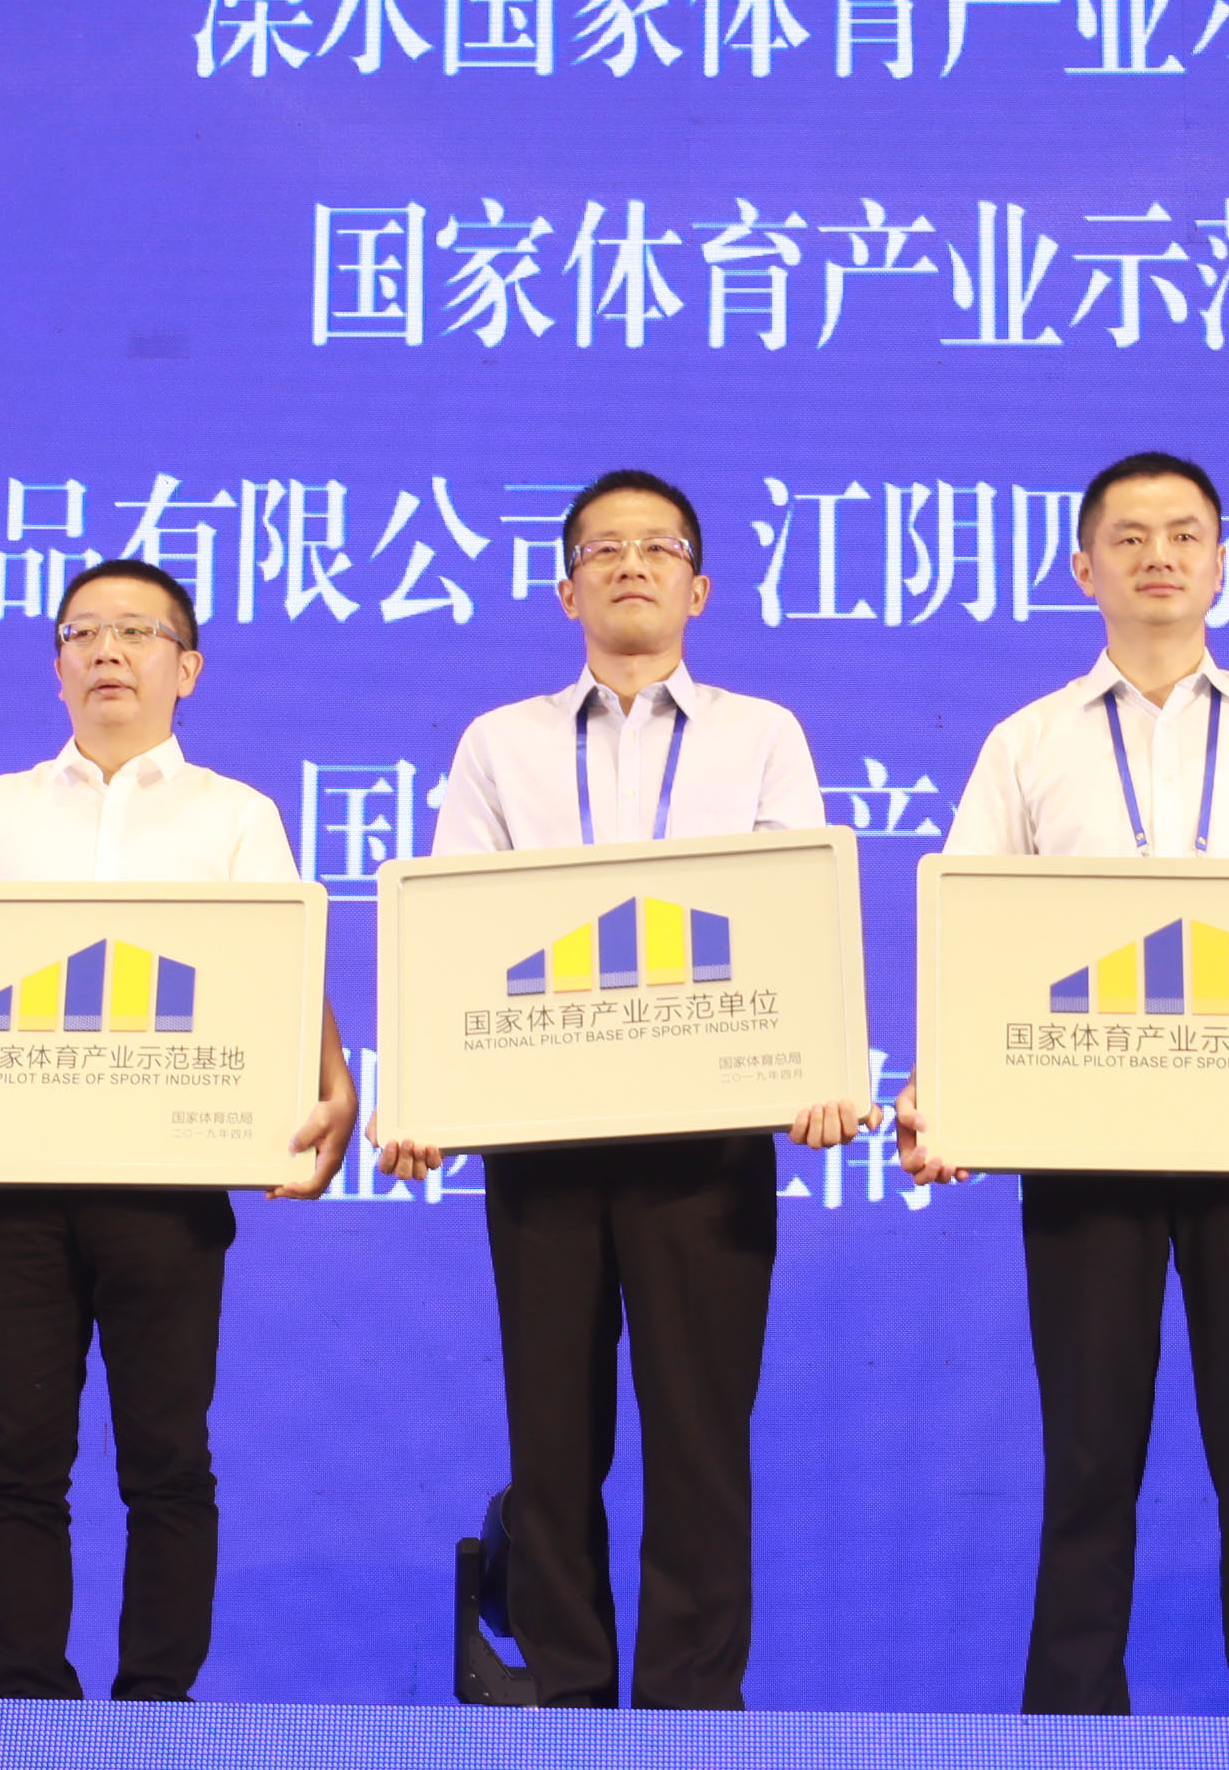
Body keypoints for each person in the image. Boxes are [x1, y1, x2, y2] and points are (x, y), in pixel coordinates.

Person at [896, 450, 1229, 1718]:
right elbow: (969, 937)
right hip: (1082, 1139)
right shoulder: (1026, 743)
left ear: (1219, 566)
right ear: (1081, 567)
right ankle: (1068, 1728)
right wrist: (939, 1091)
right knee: (1087, 1458)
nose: (1157, 555)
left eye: (1183, 534)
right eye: (1129, 536)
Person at [0, 557, 355, 1702]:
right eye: (83, 632)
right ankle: (25, 1705)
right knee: (17, 1463)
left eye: (137, 631)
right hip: (14, 1185)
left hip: (169, 1188)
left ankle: (154, 1707)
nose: (107, 650)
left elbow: (283, 972)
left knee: (166, 1461)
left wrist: (333, 1083)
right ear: (55, 667)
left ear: (186, 668)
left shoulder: (235, 817)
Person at [374, 469, 858, 1712]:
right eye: (603, 549)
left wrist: (816, 1070)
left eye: (657, 547)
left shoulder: (761, 735)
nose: (630, 564)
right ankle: (569, 1696)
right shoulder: (501, 743)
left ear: (698, 586)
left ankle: (692, 1706)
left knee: (699, 1437)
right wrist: (422, 1091)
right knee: (553, 1437)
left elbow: (794, 923)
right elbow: (455, 930)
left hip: (705, 1142)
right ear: (565, 589)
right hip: (542, 1138)